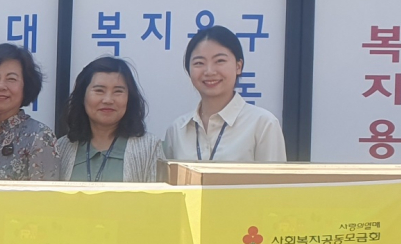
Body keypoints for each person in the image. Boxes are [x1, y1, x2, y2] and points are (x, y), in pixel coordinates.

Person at [163, 25, 286, 162]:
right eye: (199, 63)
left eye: (220, 61)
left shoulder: (263, 124)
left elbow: (274, 176)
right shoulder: (177, 131)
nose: (209, 71)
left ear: (238, 66)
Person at [56, 57, 163, 182]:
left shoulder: (149, 147)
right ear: (82, 96)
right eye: (99, 90)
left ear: (129, 98)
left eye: (118, 91)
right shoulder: (62, 148)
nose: (108, 100)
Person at [0, 43, 59, 180]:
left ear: (26, 86)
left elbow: (45, 193)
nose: (0, 86)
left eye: (11, 79)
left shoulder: (39, 137)